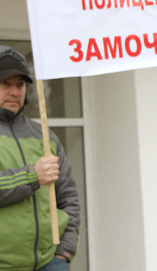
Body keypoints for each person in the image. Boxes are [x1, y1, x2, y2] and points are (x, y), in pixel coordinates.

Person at [0, 46, 80, 271]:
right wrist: (32, 176)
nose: (15, 92)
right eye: (6, 84)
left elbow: (69, 198)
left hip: (50, 262)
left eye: (20, 85)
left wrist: (64, 250)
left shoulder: (45, 136)